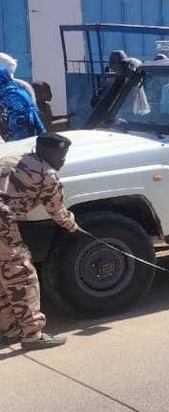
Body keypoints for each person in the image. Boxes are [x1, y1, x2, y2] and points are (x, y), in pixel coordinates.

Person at [1, 133, 80, 349]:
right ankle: (32, 335)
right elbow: (57, 212)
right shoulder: (47, 174)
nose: (63, 162)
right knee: (22, 274)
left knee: (3, 274)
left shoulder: (16, 160)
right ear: (51, 154)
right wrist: (75, 229)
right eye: (62, 157)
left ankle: (11, 329)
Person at [0, 67, 45, 142]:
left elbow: (11, 124)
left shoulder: (8, 97)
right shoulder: (19, 92)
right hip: (31, 137)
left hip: (17, 139)